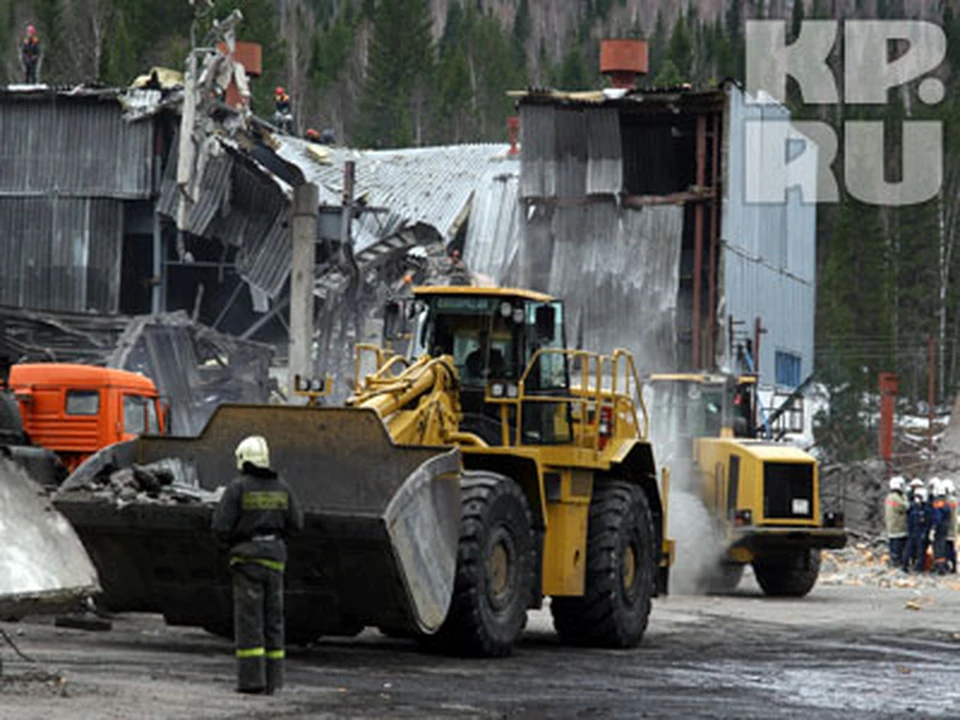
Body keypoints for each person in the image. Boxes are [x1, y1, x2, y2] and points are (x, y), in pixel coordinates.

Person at [212, 435, 304, 695]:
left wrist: (231, 546)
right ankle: (274, 681)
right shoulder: (282, 487)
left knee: (250, 620)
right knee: (274, 621)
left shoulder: (237, 488)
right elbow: (296, 523)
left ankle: (252, 681)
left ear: (243, 459)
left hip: (247, 561)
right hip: (275, 560)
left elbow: (220, 526)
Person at [903, 484, 930, 573]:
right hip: (919, 531)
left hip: (913, 531)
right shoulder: (925, 508)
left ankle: (906, 565)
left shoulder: (912, 506)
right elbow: (928, 521)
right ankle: (917, 568)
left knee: (910, 548)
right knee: (919, 550)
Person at [884, 476, 908, 567]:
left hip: (892, 526)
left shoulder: (889, 497)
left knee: (893, 545)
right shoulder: (896, 498)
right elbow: (904, 507)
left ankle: (894, 560)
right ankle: (896, 562)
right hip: (898, 527)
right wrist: (906, 499)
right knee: (898, 547)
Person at [930, 479, 950, 575]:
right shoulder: (946, 503)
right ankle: (943, 566)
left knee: (938, 547)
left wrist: (933, 527)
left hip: (939, 528)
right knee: (942, 547)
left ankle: (939, 568)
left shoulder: (938, 503)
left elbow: (937, 517)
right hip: (945, 527)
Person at [945, 478, 957, 573]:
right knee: (951, 547)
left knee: (948, 548)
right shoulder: (953, 500)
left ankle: (951, 565)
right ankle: (953, 566)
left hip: (948, 528)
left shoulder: (949, 500)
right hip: (952, 527)